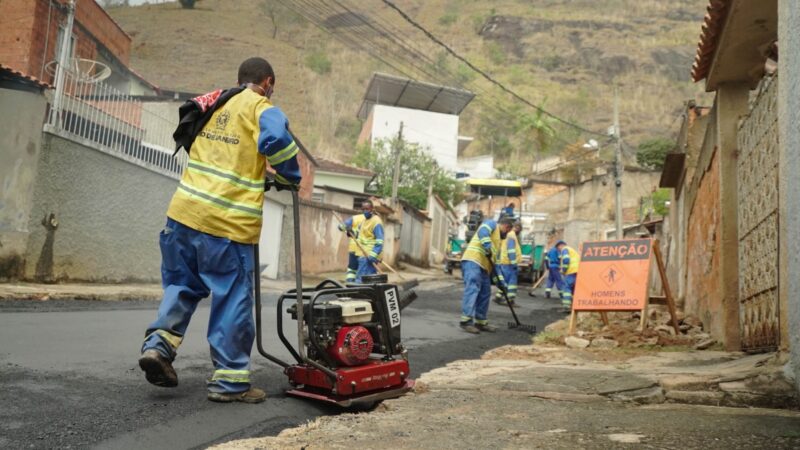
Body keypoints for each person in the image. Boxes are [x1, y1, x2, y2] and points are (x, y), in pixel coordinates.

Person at [138, 57, 301, 404]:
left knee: (182, 285)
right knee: (232, 299)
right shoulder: (261, 107)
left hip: (182, 215)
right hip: (226, 225)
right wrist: (289, 177)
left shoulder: (215, 102)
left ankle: (158, 348)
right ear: (268, 82)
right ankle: (230, 383)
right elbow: (279, 141)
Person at [459, 216, 514, 334]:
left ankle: (480, 322)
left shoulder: (498, 243)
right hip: (473, 261)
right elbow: (482, 232)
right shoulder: (492, 224)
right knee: (473, 288)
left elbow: (496, 266)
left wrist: (501, 283)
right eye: (508, 231)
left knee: (485, 292)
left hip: (484, 268)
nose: (507, 234)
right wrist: (487, 246)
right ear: (506, 226)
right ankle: (466, 321)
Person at [354, 199, 384, 282]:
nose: (364, 211)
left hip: (369, 255)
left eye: (366, 209)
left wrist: (373, 255)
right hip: (363, 253)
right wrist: (350, 233)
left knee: (361, 279)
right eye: (363, 209)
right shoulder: (364, 221)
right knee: (369, 279)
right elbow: (359, 234)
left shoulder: (376, 222)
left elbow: (380, 241)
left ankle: (358, 294)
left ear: (372, 209)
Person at [494, 220, 522, 305]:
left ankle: (498, 297)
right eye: (519, 229)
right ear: (517, 228)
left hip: (505, 262)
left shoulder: (507, 235)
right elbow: (511, 250)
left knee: (505, 281)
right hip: (509, 263)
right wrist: (514, 263)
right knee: (512, 282)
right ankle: (510, 300)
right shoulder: (511, 235)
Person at [338, 212, 365, 282]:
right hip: (365, 250)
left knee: (352, 269)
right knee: (363, 270)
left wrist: (347, 228)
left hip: (353, 248)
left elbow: (341, 227)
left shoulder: (355, 218)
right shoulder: (373, 221)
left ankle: (350, 284)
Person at [558, 240, 581, 311]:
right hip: (578, 270)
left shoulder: (565, 249)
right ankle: (575, 305)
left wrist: (564, 270)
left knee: (567, 287)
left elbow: (566, 260)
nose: (558, 249)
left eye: (558, 248)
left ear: (561, 245)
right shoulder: (572, 250)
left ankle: (566, 306)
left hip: (571, 270)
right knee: (574, 289)